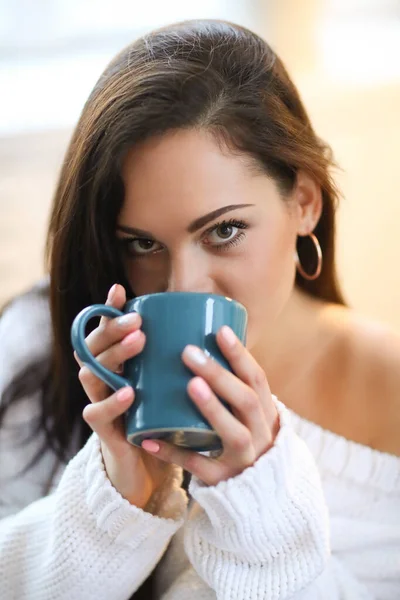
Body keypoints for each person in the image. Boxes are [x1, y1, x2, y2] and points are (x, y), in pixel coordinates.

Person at [0, 18, 399, 600]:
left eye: (225, 230)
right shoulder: (47, 341)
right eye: (142, 243)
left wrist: (262, 507)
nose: (183, 284)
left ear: (305, 202)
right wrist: (115, 496)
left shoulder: (387, 390)